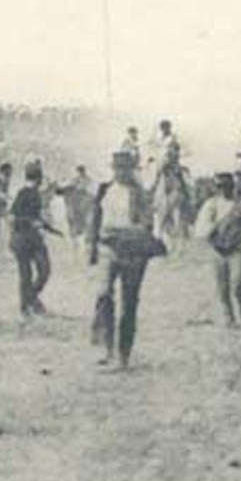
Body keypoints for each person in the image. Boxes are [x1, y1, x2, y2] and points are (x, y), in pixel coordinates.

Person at [89, 150, 159, 369]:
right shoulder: (104, 190)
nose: (120, 172)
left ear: (131, 170)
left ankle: (123, 356)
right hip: (107, 248)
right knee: (103, 296)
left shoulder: (140, 194)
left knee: (129, 303)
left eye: (125, 168)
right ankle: (108, 349)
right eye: (117, 168)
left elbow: (146, 225)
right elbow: (95, 219)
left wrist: (121, 232)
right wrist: (92, 246)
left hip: (133, 252)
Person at [195, 172, 241, 325]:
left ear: (233, 187)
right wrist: (211, 229)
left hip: (237, 249)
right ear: (216, 189)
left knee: (237, 282)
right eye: (220, 187)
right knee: (222, 286)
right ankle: (229, 316)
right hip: (218, 250)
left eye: (227, 187)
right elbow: (201, 227)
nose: (224, 190)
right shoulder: (211, 205)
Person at [9, 160, 55, 317]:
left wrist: (49, 228)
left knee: (31, 273)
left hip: (25, 238)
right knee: (39, 272)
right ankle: (28, 304)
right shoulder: (25, 193)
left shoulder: (32, 193)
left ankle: (29, 301)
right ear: (39, 179)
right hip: (25, 238)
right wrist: (32, 223)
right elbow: (14, 217)